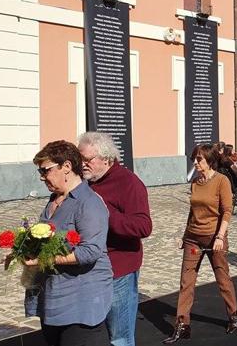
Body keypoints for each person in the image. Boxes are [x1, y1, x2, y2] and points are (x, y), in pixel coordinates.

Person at [29, 140, 112, 346]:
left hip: (81, 303)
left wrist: (44, 259)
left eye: (45, 170)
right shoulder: (54, 200)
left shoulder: (89, 203)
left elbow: (90, 252)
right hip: (54, 299)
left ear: (66, 166)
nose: (42, 177)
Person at [78, 132, 152, 346]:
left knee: (120, 337)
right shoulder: (86, 183)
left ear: (107, 159)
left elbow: (144, 226)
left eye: (88, 160)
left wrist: (106, 213)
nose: (82, 165)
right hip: (90, 268)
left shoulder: (129, 183)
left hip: (119, 269)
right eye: (80, 159)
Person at [163, 145, 237, 344]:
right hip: (193, 238)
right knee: (186, 282)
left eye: (199, 159)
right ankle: (182, 325)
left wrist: (220, 237)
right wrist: (184, 234)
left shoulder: (222, 181)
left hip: (214, 238)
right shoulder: (195, 182)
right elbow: (193, 211)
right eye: (194, 159)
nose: (195, 163)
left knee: (222, 279)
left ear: (209, 161)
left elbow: (227, 211)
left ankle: (233, 315)